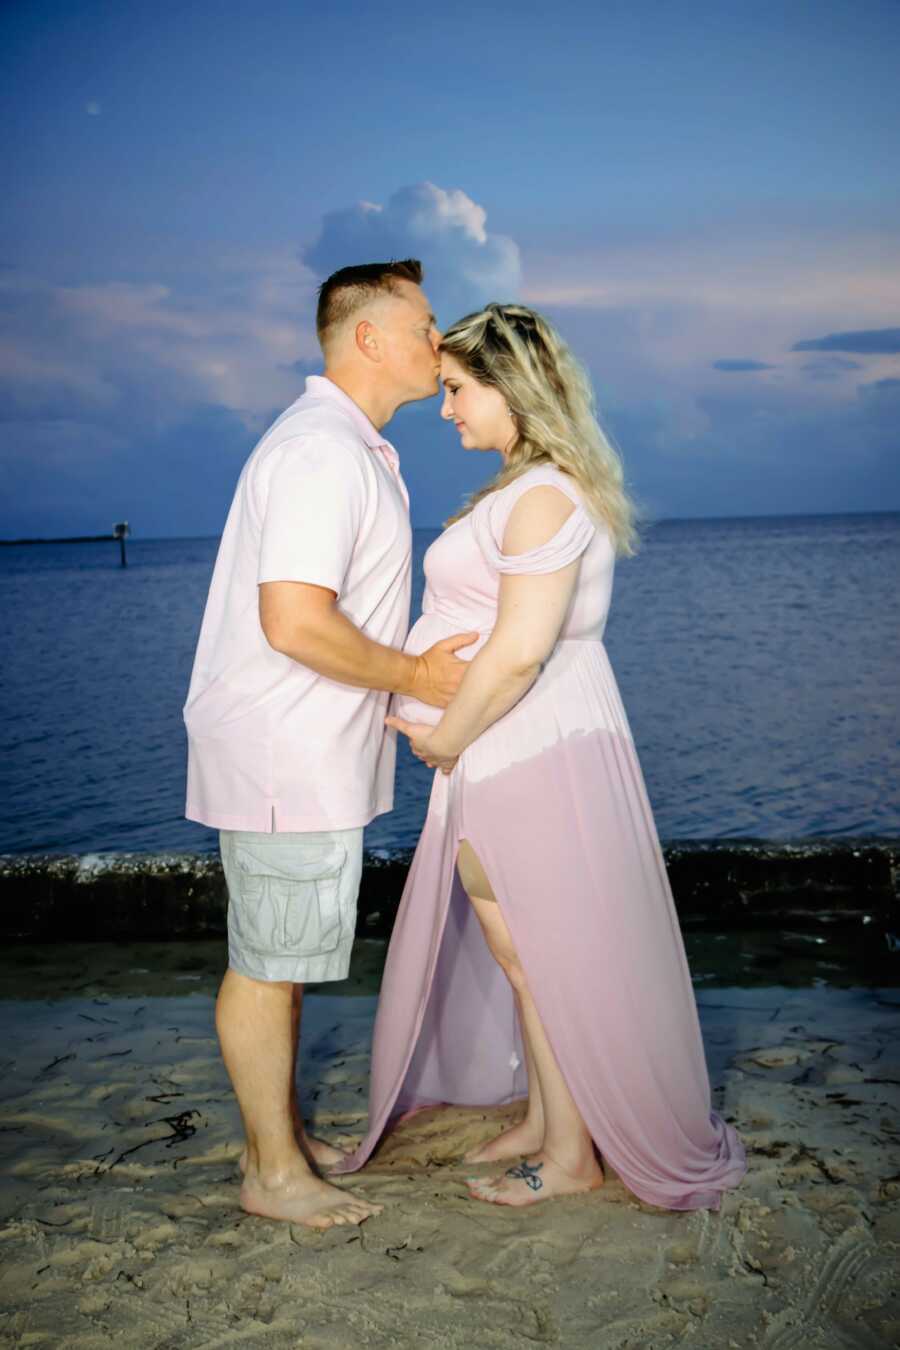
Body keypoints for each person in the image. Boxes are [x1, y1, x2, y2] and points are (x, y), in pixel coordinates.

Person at [334, 303, 747, 1210]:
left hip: (525, 738)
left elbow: (521, 649)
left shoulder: (543, 497)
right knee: (523, 949)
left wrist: (444, 735)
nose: (445, 410)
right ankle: (551, 1122)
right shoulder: (532, 491)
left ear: (509, 387)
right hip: (516, 736)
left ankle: (569, 1157)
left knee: (537, 948)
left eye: (456, 389)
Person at [183, 259, 477, 1229]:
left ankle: (277, 1137)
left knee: (284, 949)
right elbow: (294, 623)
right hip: (284, 751)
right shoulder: (321, 452)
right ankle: (271, 1174)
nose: (441, 344)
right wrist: (418, 678)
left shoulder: (347, 447)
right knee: (267, 960)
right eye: (427, 325)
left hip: (302, 753)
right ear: (369, 338)